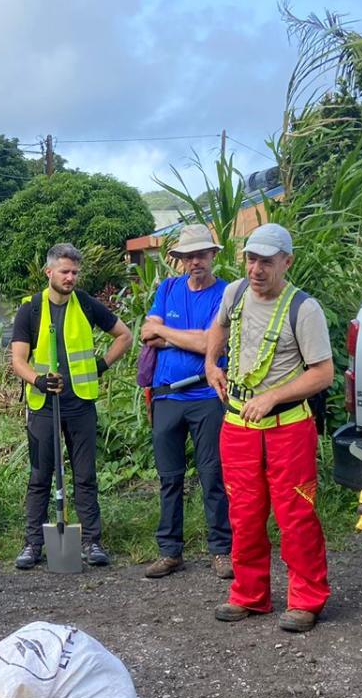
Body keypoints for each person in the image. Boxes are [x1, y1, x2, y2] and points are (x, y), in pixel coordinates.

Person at [205, 223, 333, 632]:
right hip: (238, 424)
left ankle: (307, 600)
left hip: (288, 427)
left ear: (287, 262)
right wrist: (211, 363)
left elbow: (323, 374)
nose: (256, 269)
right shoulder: (235, 292)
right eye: (250, 259)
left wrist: (274, 397)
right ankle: (249, 594)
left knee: (296, 513)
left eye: (266, 261)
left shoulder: (304, 308)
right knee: (243, 512)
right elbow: (220, 327)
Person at [10, 243, 133, 569]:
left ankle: (92, 542)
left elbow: (125, 335)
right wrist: (37, 380)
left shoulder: (87, 305)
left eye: (75, 272)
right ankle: (33, 544)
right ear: (49, 272)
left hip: (80, 404)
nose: (70, 277)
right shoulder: (31, 309)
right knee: (39, 477)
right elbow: (18, 361)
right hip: (43, 406)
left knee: (85, 476)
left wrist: (102, 365)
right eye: (65, 271)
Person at [140, 223, 233, 579]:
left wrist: (167, 333)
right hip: (166, 397)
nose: (195, 261)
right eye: (188, 256)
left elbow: (213, 344)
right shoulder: (167, 288)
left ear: (212, 255)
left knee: (213, 475)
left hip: (208, 395)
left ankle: (221, 550)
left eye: (201, 254)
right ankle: (169, 551)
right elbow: (148, 334)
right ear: (179, 260)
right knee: (169, 478)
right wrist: (188, 336)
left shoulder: (225, 294)